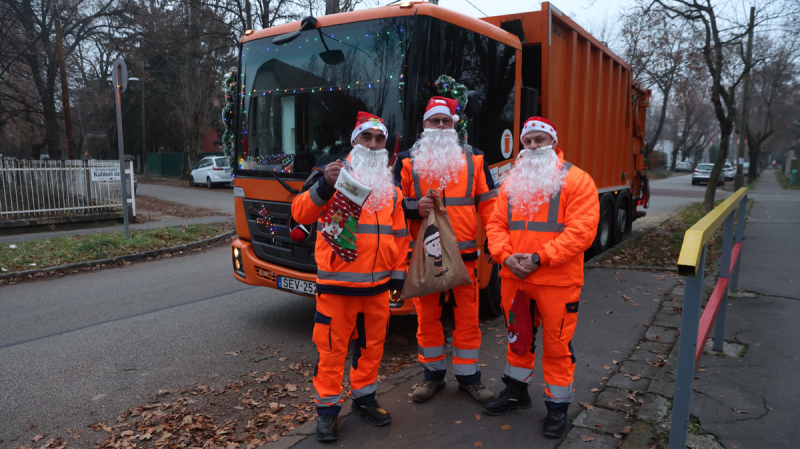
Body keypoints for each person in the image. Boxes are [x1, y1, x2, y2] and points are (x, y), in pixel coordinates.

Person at [292, 112, 410, 442]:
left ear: (385, 144)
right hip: (337, 288)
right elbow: (299, 214)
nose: (373, 144)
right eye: (366, 137)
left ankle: (364, 400)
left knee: (372, 349)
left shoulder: (392, 187)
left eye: (379, 138)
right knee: (332, 352)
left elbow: (400, 235)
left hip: (377, 288)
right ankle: (327, 412)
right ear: (354, 141)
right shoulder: (329, 174)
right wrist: (324, 186)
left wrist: (398, 275)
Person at [483, 116, 600, 438]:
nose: (533, 146)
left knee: (557, 346)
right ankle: (516, 393)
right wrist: (505, 257)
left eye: (540, 140)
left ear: (553, 143)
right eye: (528, 141)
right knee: (517, 341)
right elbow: (495, 226)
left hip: (556, 281)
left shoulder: (577, 180)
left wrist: (538, 258)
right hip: (514, 277)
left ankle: (556, 409)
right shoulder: (511, 182)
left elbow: (582, 232)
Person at [393, 96, 498, 403]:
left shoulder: (475, 158)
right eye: (433, 121)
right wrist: (414, 207)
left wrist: (493, 240)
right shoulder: (407, 159)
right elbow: (390, 203)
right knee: (427, 319)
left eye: (445, 121)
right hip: (426, 258)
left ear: (454, 125)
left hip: (465, 259)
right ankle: (432, 377)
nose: (440, 126)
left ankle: (469, 378)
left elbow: (490, 204)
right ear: (424, 125)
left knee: (468, 318)